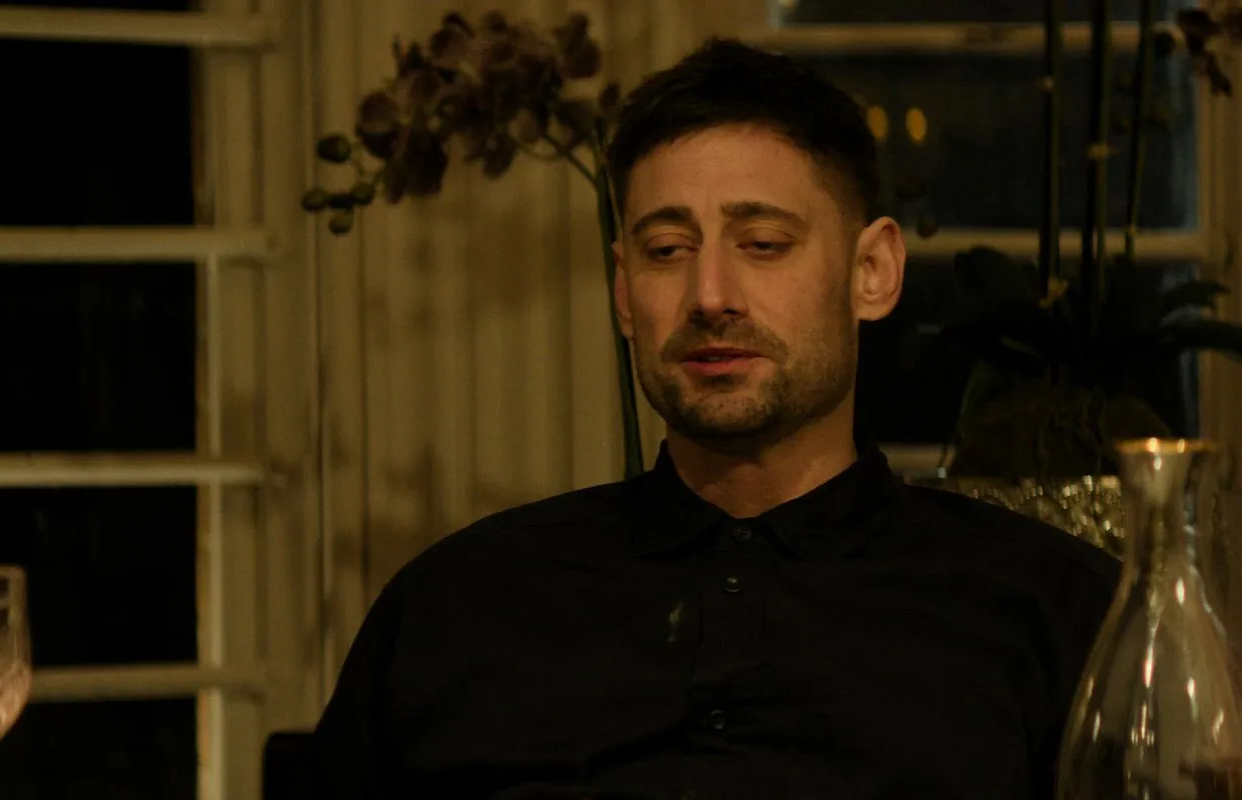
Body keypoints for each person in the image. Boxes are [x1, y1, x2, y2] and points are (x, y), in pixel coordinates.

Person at [314, 38, 1121, 799]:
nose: (708, 296)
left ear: (872, 271)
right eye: (667, 250)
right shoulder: (462, 609)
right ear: (624, 293)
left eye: (763, 243)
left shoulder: (1054, 616)